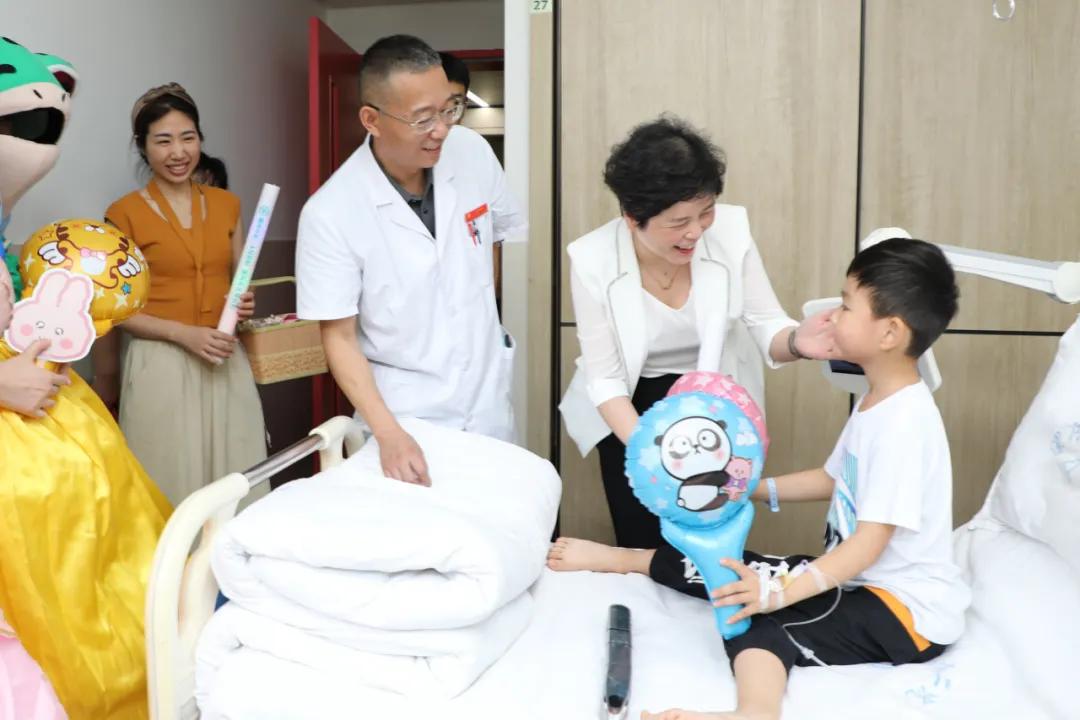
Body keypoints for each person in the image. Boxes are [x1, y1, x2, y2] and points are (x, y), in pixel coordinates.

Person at [562, 237, 972, 720]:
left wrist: (777, 595)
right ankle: (628, 559)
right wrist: (744, 490)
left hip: (905, 614)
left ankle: (754, 713)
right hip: (868, 586)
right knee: (735, 570)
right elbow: (832, 479)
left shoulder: (904, 424)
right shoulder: (879, 401)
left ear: (889, 333)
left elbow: (867, 544)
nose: (832, 316)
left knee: (750, 614)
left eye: (846, 306)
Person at [555, 116, 834, 551]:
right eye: (678, 221)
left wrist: (798, 341)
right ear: (632, 217)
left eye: (705, 213)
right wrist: (658, 451)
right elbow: (605, 379)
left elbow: (766, 323)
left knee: (712, 539)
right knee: (642, 541)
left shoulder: (731, 232)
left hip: (714, 403)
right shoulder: (592, 259)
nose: (696, 231)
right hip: (631, 407)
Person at [296, 35, 526, 486]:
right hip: (405, 417)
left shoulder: (472, 153)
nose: (441, 129)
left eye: (449, 109)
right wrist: (389, 434)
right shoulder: (331, 212)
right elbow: (338, 337)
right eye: (423, 118)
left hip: (488, 402)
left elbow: (496, 239)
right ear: (372, 120)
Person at [102, 83, 266, 506]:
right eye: (163, 141)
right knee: (168, 478)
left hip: (223, 355)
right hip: (161, 360)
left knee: (237, 474)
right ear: (142, 146)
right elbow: (115, 310)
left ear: (200, 139)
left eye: (187, 138)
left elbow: (240, 282)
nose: (178, 152)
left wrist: (244, 303)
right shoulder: (122, 215)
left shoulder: (228, 205)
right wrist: (183, 334)